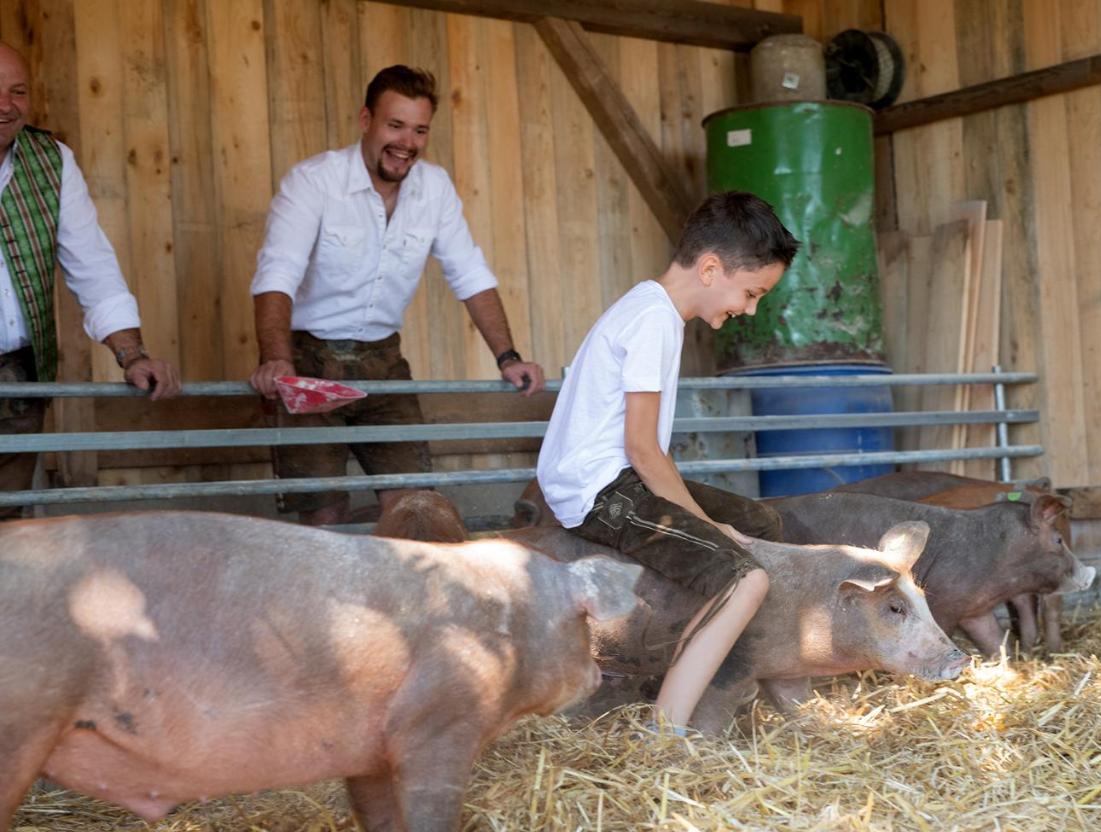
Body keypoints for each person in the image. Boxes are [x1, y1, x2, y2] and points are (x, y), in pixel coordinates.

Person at [536, 191, 800, 733]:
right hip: (600, 491)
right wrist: (708, 525)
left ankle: (738, 670)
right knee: (743, 577)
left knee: (761, 524)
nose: (749, 309)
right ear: (710, 269)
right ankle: (666, 730)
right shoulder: (653, 320)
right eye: (751, 293)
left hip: (624, 477)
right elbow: (642, 448)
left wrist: (719, 523)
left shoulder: (654, 310)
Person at [248, 65, 545, 526]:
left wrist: (508, 357)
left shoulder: (435, 188)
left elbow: (469, 272)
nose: (407, 142)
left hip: (384, 363)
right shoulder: (312, 182)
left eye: (419, 129)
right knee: (323, 515)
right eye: (395, 125)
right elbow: (277, 275)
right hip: (308, 363)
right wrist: (278, 361)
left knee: (415, 507)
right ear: (366, 120)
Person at [0, 42, 181, 521]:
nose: (5, 105)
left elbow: (94, 270)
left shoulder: (51, 161)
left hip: (16, 381)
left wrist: (133, 354)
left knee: (7, 531)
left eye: (17, 91)